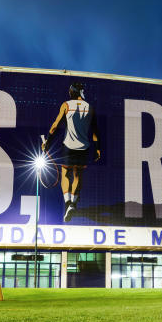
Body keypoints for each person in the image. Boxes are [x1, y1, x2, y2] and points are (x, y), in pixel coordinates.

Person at [42, 82, 101, 222]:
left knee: (65, 174)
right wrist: (97, 149)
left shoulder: (66, 105)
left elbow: (55, 126)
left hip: (68, 147)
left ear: (72, 92)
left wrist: (47, 142)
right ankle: (73, 204)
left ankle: (68, 203)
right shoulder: (90, 108)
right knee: (78, 176)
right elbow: (95, 132)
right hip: (84, 148)